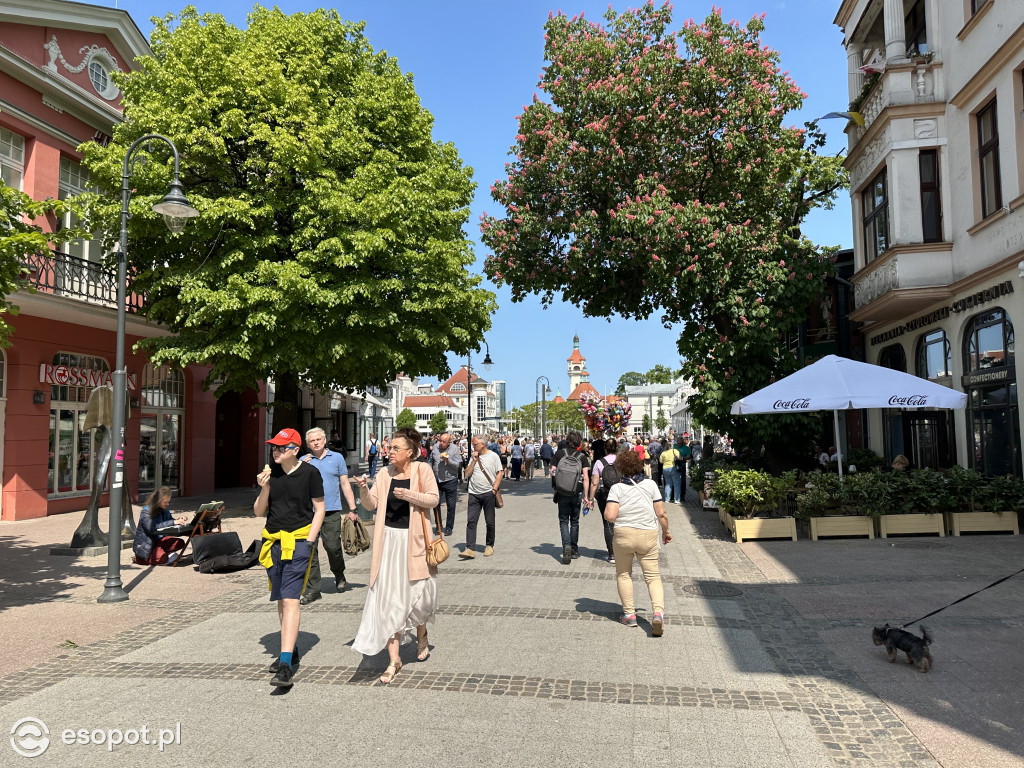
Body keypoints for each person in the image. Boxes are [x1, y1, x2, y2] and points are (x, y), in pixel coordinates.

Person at [352, 427, 440, 684]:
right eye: (389, 448)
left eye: (395, 449)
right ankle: (394, 660)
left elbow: (433, 499)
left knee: (419, 597)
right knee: (389, 600)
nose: (389, 452)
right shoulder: (383, 473)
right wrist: (363, 490)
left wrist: (409, 494)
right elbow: (372, 505)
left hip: (415, 542)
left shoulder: (422, 470)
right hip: (388, 542)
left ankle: (421, 634)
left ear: (410, 453)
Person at [255, 428, 326, 688]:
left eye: (282, 447)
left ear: (295, 450)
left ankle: (285, 664)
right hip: (273, 541)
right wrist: (264, 488)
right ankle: (290, 647)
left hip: (298, 542)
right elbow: (258, 511)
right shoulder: (271, 474)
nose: (276, 451)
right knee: (281, 599)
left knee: (290, 598)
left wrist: (309, 541)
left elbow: (320, 509)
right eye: (274, 447)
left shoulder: (310, 473)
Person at [602, 448, 672, 634]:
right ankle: (658, 614)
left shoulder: (617, 488)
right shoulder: (650, 485)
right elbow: (661, 513)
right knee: (652, 576)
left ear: (621, 467)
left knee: (624, 574)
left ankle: (630, 615)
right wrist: (666, 531)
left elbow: (610, 515)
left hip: (624, 535)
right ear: (640, 465)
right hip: (647, 535)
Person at [299, 427, 359, 604]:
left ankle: (339, 574)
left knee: (333, 547)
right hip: (308, 513)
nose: (316, 442)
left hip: (331, 511)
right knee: (310, 550)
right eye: (312, 441)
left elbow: (345, 484)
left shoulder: (337, 457)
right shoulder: (303, 461)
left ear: (324, 440)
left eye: (318, 439)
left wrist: (353, 509)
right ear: (307, 444)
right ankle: (313, 589)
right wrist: (304, 469)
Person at [552, 430, 591, 565]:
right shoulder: (582, 457)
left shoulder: (559, 454)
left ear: (567, 441)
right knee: (574, 521)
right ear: (579, 442)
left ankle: (566, 546)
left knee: (563, 521)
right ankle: (574, 549)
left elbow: (552, 472)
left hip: (562, 492)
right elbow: (586, 477)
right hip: (576, 492)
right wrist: (587, 496)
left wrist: (555, 488)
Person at [461, 435, 503, 558]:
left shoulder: (493, 456)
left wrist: (494, 489)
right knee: (471, 521)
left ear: (482, 444)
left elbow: (499, 473)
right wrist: (473, 461)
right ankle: (470, 548)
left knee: (489, 521)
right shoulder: (474, 457)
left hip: (488, 493)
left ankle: (489, 545)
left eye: (475, 444)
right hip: (474, 493)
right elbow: (467, 474)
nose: (473, 446)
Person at [132, 486, 189, 565]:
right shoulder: (146, 511)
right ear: (158, 501)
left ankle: (161, 554)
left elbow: (170, 521)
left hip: (158, 541)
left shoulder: (164, 510)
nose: (168, 504)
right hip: (146, 546)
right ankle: (140, 559)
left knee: (180, 543)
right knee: (162, 558)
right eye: (165, 502)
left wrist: (178, 520)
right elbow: (151, 529)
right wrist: (174, 522)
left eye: (168, 501)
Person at [589, 439, 619, 563]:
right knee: (621, 522)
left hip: (605, 495)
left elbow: (594, 482)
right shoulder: (621, 460)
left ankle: (612, 553)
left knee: (607, 524)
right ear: (616, 448)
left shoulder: (599, 463)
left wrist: (590, 498)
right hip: (621, 494)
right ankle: (623, 550)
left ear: (605, 449)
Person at [430, 432, 462, 536]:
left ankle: (449, 527)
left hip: (450, 480)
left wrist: (448, 460)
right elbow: (430, 461)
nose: (441, 443)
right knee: (436, 504)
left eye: (444, 442)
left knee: (451, 505)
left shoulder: (455, 449)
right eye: (440, 441)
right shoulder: (435, 447)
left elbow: (457, 464)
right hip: (437, 480)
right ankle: (439, 526)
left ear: (449, 442)